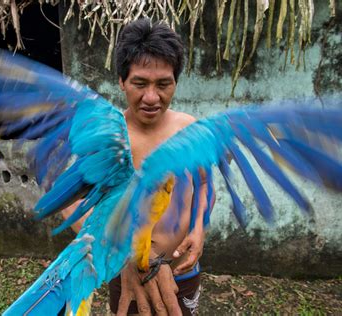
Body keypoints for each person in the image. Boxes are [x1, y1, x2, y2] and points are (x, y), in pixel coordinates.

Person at [62, 18, 210, 316]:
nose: (152, 97)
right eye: (140, 83)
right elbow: (71, 203)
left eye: (163, 84)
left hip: (183, 269)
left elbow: (204, 184)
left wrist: (198, 229)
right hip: (128, 273)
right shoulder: (107, 137)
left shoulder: (190, 130)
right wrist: (126, 255)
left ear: (175, 82)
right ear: (122, 81)